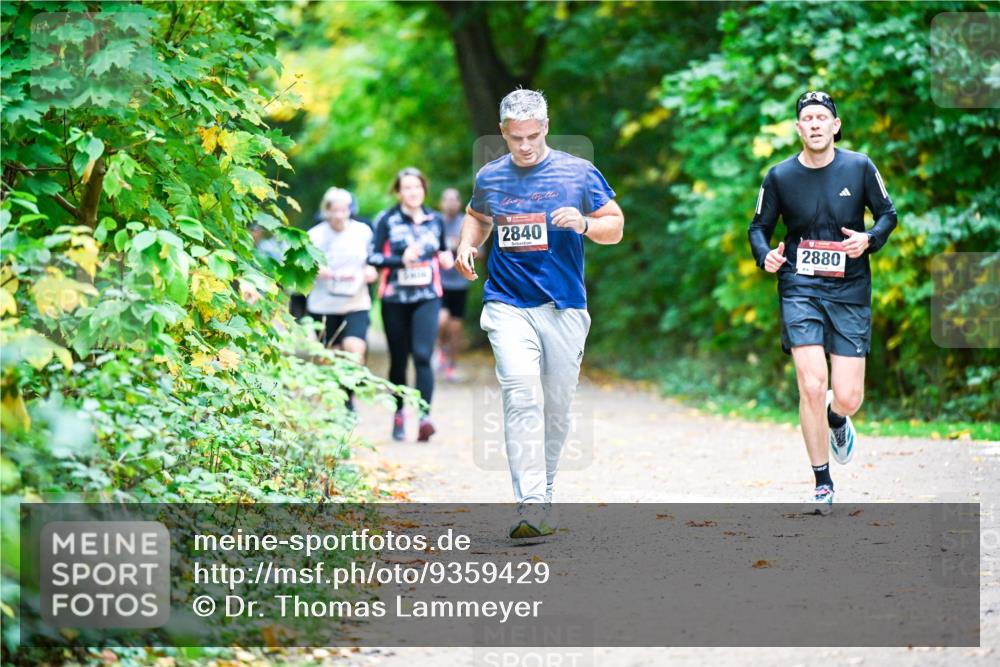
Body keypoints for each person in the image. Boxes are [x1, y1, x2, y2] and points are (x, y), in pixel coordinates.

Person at [455, 89, 624, 538]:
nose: (525, 146)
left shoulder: (578, 172)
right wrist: (467, 244)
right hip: (507, 303)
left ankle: (543, 496)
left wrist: (585, 224)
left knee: (557, 409)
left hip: (563, 306)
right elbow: (478, 216)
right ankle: (530, 502)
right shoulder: (491, 176)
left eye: (533, 136)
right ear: (503, 133)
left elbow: (615, 225)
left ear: (546, 128)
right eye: (516, 138)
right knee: (522, 395)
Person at [748, 91, 897, 514]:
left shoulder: (860, 166)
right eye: (807, 118)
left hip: (850, 288)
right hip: (800, 286)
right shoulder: (779, 176)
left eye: (821, 117)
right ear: (798, 128)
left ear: (835, 125)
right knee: (812, 385)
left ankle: (837, 418)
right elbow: (758, 228)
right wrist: (766, 256)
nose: (814, 124)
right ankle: (822, 482)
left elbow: (888, 215)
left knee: (847, 396)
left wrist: (869, 239)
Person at [369, 168, 455, 442]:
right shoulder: (386, 220)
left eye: (417, 187)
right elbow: (372, 257)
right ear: (398, 192)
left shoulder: (436, 219)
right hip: (394, 298)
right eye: (406, 187)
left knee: (422, 355)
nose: (412, 192)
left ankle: (424, 417)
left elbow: (443, 251)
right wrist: (400, 260)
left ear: (424, 190)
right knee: (399, 359)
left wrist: (446, 258)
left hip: (427, 296)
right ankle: (398, 414)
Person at [306, 187, 378, 410]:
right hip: (324, 304)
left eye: (343, 210)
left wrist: (372, 271)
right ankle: (339, 402)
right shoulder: (315, 235)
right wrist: (316, 270)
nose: (339, 215)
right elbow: (302, 266)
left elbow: (375, 259)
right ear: (326, 211)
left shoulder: (363, 232)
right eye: (334, 210)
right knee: (332, 356)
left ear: (350, 210)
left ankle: (350, 397)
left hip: (356, 300)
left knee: (354, 349)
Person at [436, 187, 469, 381]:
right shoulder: (435, 223)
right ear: (441, 203)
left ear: (459, 203)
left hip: (459, 284)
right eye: (447, 200)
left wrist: (461, 248)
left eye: (454, 199)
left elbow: (480, 253)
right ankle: (441, 349)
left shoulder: (466, 224)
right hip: (439, 282)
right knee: (442, 321)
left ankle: (451, 365)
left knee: (456, 329)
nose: (451, 203)